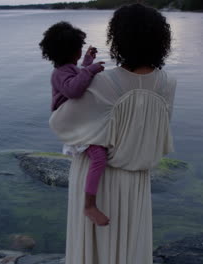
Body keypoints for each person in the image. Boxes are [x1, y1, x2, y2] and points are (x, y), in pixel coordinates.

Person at [49, 4, 175, 264]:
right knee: (129, 247)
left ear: (118, 38)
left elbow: (61, 124)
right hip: (137, 180)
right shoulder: (167, 83)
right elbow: (157, 135)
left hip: (98, 181)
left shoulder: (103, 82)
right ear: (160, 40)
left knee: (94, 251)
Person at [39, 22, 110, 226]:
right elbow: (74, 90)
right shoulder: (59, 74)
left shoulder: (66, 68)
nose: (81, 51)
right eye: (79, 48)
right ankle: (90, 204)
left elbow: (77, 75)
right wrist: (91, 71)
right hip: (68, 121)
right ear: (72, 51)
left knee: (100, 151)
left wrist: (87, 62)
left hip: (77, 118)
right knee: (98, 156)